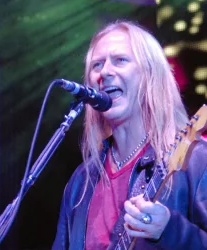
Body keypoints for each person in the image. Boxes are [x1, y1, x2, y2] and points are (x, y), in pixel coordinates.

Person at [52, 20, 207, 250]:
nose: (104, 72)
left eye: (120, 60)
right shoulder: (81, 183)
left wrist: (171, 229)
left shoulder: (193, 160)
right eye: (97, 65)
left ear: (150, 75)